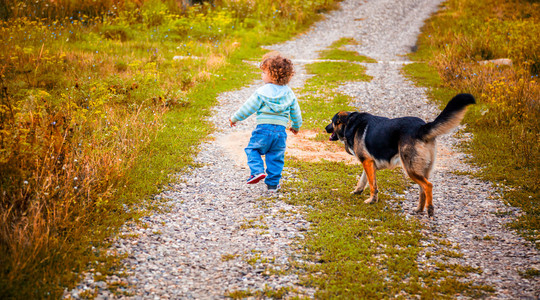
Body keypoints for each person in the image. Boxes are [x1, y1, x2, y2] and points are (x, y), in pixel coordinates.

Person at [229, 53, 302, 192]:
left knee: (252, 149)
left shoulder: (261, 92)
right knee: (275, 157)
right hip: (280, 132)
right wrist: (296, 126)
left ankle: (257, 171)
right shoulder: (289, 93)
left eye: (263, 72)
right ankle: (273, 185)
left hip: (263, 129)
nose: (261, 75)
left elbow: (248, 108)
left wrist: (235, 118)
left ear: (272, 75)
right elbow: (296, 112)